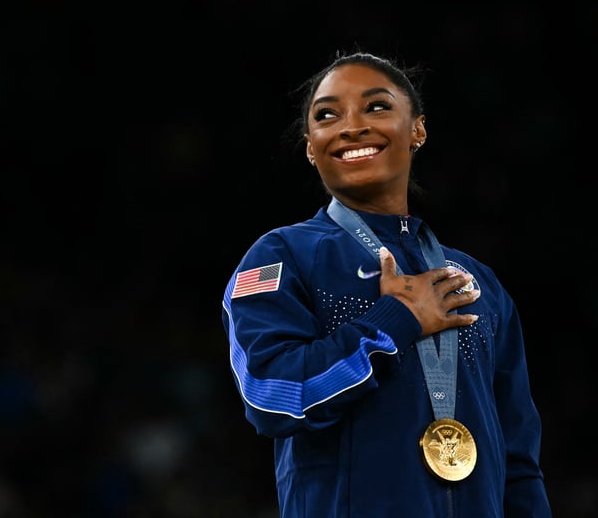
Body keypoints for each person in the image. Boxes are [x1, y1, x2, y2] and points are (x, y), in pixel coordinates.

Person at [220, 51, 551, 517]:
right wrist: (393, 323)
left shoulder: (480, 283)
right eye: (327, 115)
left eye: (376, 106)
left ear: (417, 129)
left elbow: (518, 460)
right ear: (311, 146)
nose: (351, 126)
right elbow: (271, 395)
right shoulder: (283, 256)